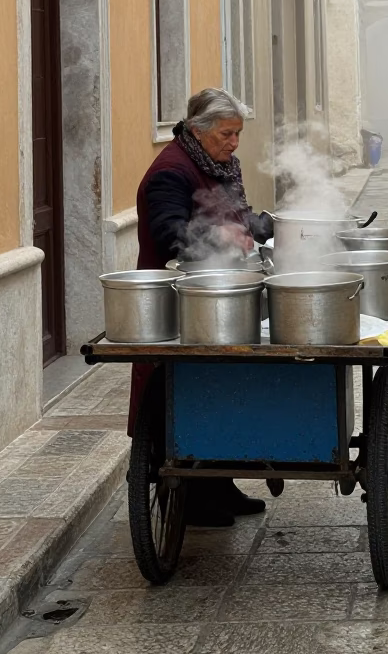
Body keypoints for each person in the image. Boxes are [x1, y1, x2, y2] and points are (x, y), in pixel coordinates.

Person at [129, 87, 274, 527]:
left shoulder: (219, 162)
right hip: (179, 300)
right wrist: (218, 236)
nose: (234, 142)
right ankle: (193, 495)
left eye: (238, 133)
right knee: (190, 392)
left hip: (218, 294)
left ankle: (220, 484)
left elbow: (234, 213)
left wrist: (259, 225)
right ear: (198, 129)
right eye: (227, 134)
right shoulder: (170, 172)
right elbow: (169, 233)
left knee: (225, 386)